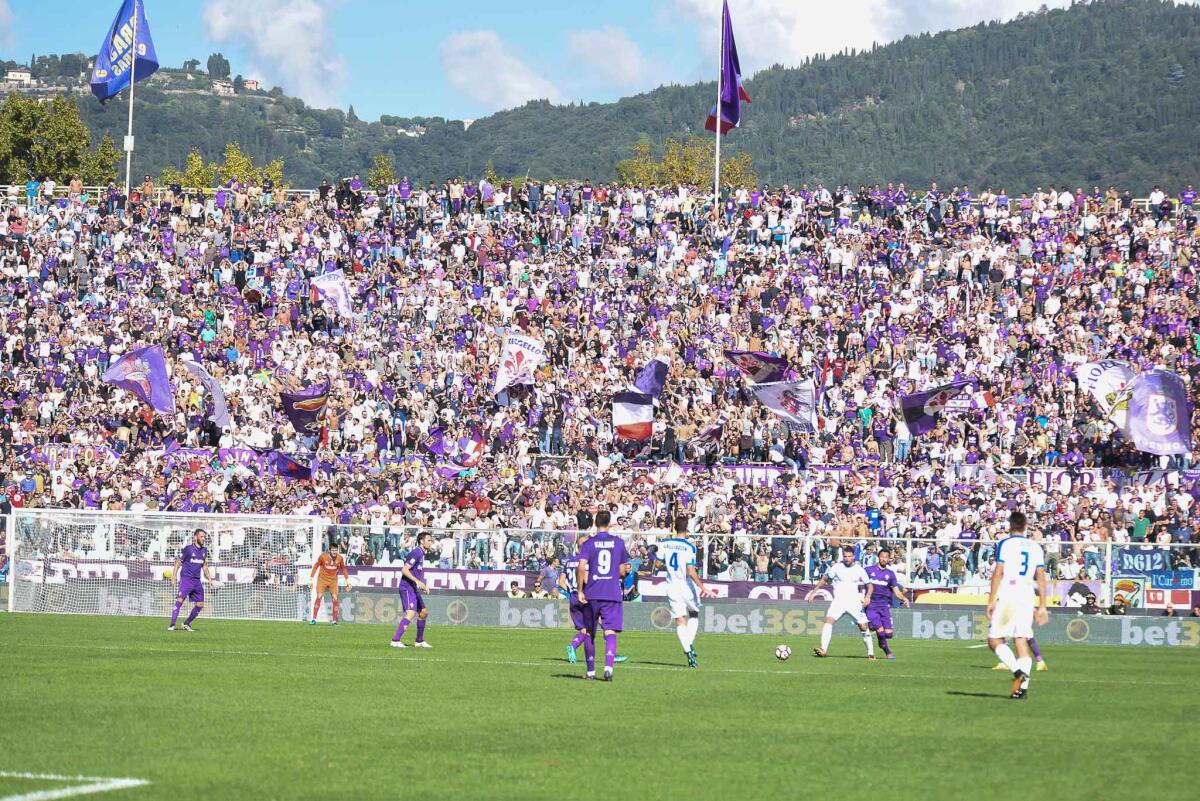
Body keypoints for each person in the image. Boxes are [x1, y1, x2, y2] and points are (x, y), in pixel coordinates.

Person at [986, 511, 1049, 700]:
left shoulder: (1005, 544)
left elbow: (998, 572)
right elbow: (1041, 577)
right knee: (1021, 641)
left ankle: (1017, 673)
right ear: (1025, 527)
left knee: (994, 640)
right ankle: (1023, 690)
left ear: (1010, 526)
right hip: (1027, 595)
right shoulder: (1036, 547)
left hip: (1009, 593)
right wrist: (1043, 605)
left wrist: (991, 600)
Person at [576, 510, 631, 681]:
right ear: (609, 523)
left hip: (592, 592)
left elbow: (581, 567)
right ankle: (608, 668)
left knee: (589, 632)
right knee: (610, 631)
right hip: (612, 593)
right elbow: (622, 571)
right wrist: (619, 573)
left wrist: (579, 590)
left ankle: (591, 672)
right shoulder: (619, 543)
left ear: (594, 523)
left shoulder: (588, 543)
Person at [657, 515, 715, 668]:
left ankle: (688, 651)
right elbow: (691, 571)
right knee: (694, 613)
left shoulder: (665, 543)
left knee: (680, 620)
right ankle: (688, 645)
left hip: (671, 585)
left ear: (674, 527)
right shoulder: (689, 546)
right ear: (687, 528)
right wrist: (703, 588)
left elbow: (657, 562)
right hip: (686, 585)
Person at [804, 546, 876, 659]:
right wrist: (814, 592)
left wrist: (868, 597)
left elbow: (869, 585)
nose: (847, 558)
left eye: (849, 556)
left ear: (853, 557)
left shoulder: (859, 569)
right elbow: (824, 579)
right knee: (829, 621)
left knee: (863, 626)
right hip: (839, 602)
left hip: (854, 602)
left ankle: (871, 653)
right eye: (845, 556)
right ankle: (823, 649)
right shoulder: (837, 567)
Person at [559, 510, 593, 665]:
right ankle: (611, 653)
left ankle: (573, 647)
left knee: (585, 629)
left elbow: (560, 582)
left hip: (572, 596)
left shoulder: (568, 561)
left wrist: (569, 592)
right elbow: (585, 578)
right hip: (583, 595)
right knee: (594, 626)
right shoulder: (584, 561)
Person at [864, 547, 910, 660]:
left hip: (884, 606)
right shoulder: (868, 570)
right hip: (872, 605)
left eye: (886, 557)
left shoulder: (890, 574)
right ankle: (888, 652)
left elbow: (896, 591)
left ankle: (878, 635)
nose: (884, 559)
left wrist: (904, 598)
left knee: (888, 634)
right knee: (880, 631)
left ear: (889, 559)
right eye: (882, 557)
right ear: (878, 557)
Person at [391, 532, 433, 649]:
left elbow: (414, 572)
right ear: (421, 541)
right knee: (411, 613)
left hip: (413, 587)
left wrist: (422, 585)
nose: (430, 542)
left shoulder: (421, 554)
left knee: (423, 612)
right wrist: (418, 582)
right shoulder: (416, 553)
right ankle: (395, 640)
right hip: (407, 587)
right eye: (428, 540)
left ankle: (419, 641)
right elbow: (404, 570)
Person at [169, 528, 214, 632]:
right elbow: (178, 563)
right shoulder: (188, 549)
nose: (204, 538)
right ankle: (172, 624)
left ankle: (186, 623)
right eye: (202, 536)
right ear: (195, 537)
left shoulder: (204, 550)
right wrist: (173, 576)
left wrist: (210, 579)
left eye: (204, 537)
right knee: (180, 600)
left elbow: (205, 566)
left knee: (200, 604)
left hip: (197, 581)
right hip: (186, 579)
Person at [309, 541, 352, 625]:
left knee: (335, 598)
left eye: (336, 550)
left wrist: (348, 581)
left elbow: (343, 569)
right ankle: (313, 619)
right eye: (333, 550)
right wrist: (311, 579)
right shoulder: (323, 556)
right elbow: (316, 566)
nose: (334, 552)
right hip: (322, 579)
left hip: (333, 581)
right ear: (329, 550)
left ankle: (334, 621)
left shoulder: (340, 558)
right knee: (319, 596)